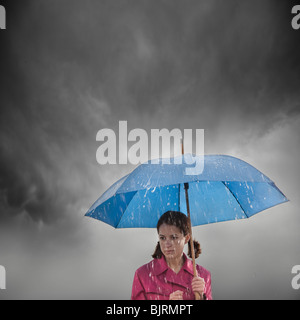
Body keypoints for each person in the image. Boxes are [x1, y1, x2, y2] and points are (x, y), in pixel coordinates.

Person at [131, 211, 212, 300]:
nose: (167, 244)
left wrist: (201, 298)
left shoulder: (202, 275)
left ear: (186, 238)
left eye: (173, 237)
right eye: (162, 238)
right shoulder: (143, 274)